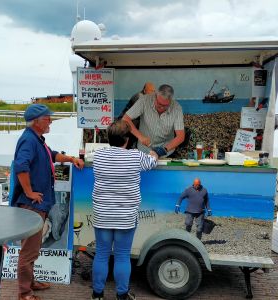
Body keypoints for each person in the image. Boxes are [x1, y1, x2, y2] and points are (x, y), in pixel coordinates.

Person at [11, 104, 84, 300]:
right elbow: (20, 166)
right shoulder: (28, 140)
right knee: (28, 251)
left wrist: (70, 158)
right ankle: (24, 294)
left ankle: (30, 282)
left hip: (39, 204)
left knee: (33, 248)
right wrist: (29, 192)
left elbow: (51, 155)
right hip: (32, 204)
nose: (50, 121)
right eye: (47, 118)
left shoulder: (37, 140)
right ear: (36, 122)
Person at [91, 119, 158, 300]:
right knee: (122, 256)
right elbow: (152, 162)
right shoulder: (135, 156)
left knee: (102, 254)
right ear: (127, 139)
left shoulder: (98, 156)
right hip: (125, 217)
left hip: (103, 215)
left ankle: (97, 295)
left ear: (109, 138)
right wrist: (154, 154)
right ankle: (121, 295)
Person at [122, 84, 185, 157]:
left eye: (165, 106)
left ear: (170, 101)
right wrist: (140, 136)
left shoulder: (177, 108)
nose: (161, 107)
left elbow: (180, 137)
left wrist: (164, 150)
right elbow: (125, 119)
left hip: (166, 151)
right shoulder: (144, 100)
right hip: (143, 150)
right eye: (159, 103)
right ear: (155, 96)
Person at [118, 82, 156, 149]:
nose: (153, 93)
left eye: (153, 91)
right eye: (151, 91)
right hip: (124, 123)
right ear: (144, 90)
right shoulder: (139, 97)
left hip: (132, 122)